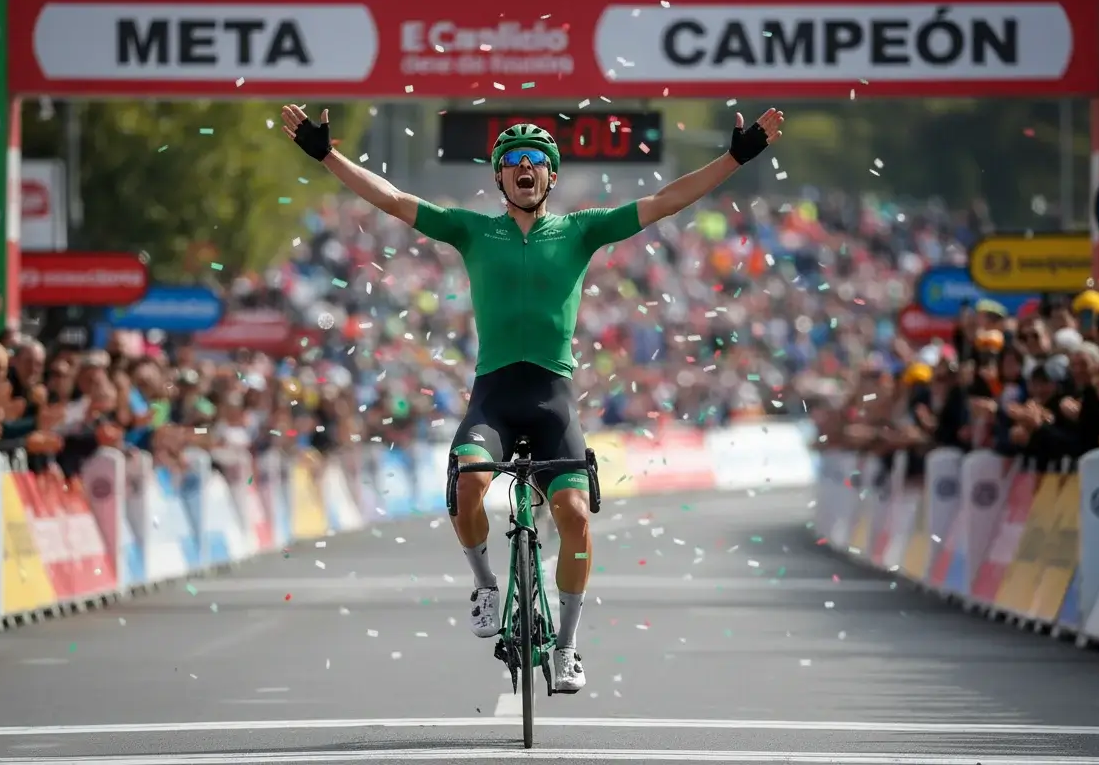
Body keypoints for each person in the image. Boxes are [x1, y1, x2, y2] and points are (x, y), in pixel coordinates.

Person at [282, 103, 784, 693]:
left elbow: (666, 200)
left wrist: (733, 158)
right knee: (469, 483)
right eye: (513, 161)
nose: (525, 167)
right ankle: (486, 586)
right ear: (499, 177)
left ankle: (568, 647)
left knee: (573, 516)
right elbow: (392, 199)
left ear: (550, 175)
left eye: (536, 161)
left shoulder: (581, 230)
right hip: (494, 395)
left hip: (552, 398)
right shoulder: (472, 230)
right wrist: (327, 155)